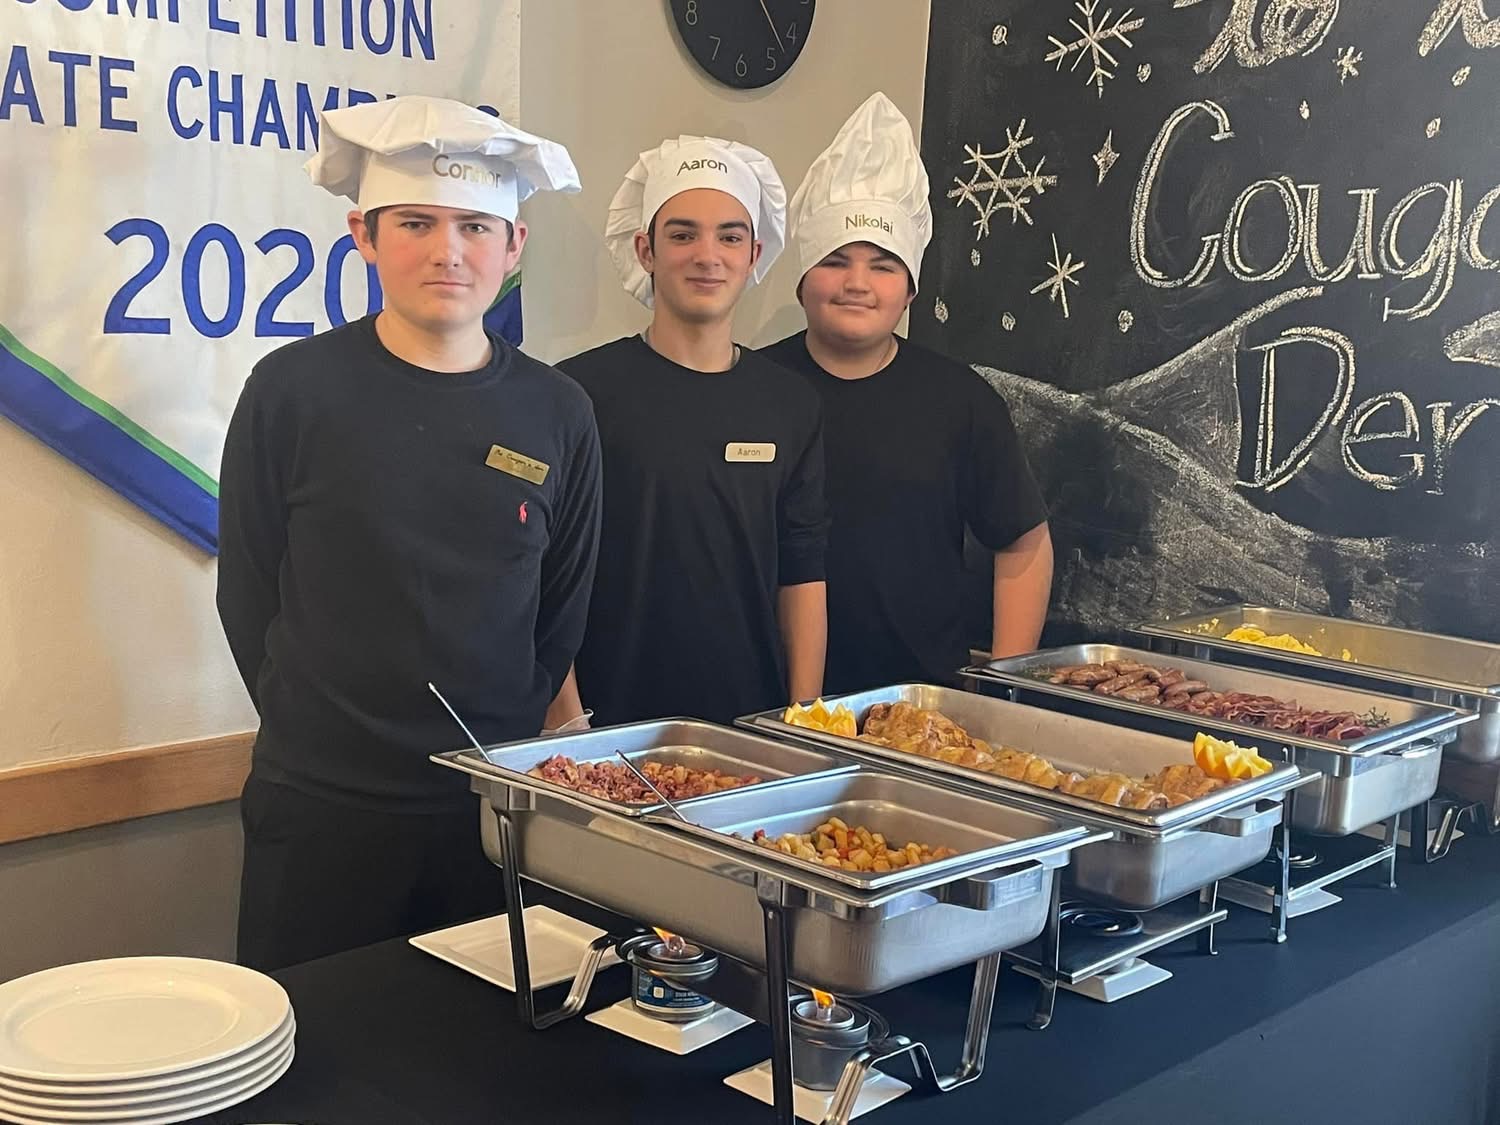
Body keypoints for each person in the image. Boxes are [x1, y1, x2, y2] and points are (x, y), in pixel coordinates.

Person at [217, 95, 600, 971]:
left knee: (480, 1042)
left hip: (491, 809)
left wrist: (507, 740)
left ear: (514, 246)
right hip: (320, 808)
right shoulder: (290, 391)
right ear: (364, 234)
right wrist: (319, 726)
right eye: (417, 223)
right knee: (314, 1039)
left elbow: (561, 609)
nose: (447, 250)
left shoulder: (559, 412)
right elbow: (247, 589)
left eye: (475, 226)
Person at [761, 93, 1053, 695]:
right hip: (765, 697)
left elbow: (1023, 541)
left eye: (884, 266)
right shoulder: (752, 390)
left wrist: (1007, 688)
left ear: (911, 290)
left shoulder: (960, 401)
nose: (857, 283)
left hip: (920, 704)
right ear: (802, 279)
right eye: (835, 261)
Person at [545, 135, 828, 729]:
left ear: (754, 254)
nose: (708, 255)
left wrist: (803, 719)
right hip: (608, 727)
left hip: (751, 725)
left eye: (729, 237)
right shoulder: (576, 394)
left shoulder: (790, 404)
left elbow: (802, 570)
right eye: (682, 235)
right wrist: (566, 721)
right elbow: (544, 570)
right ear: (645, 250)